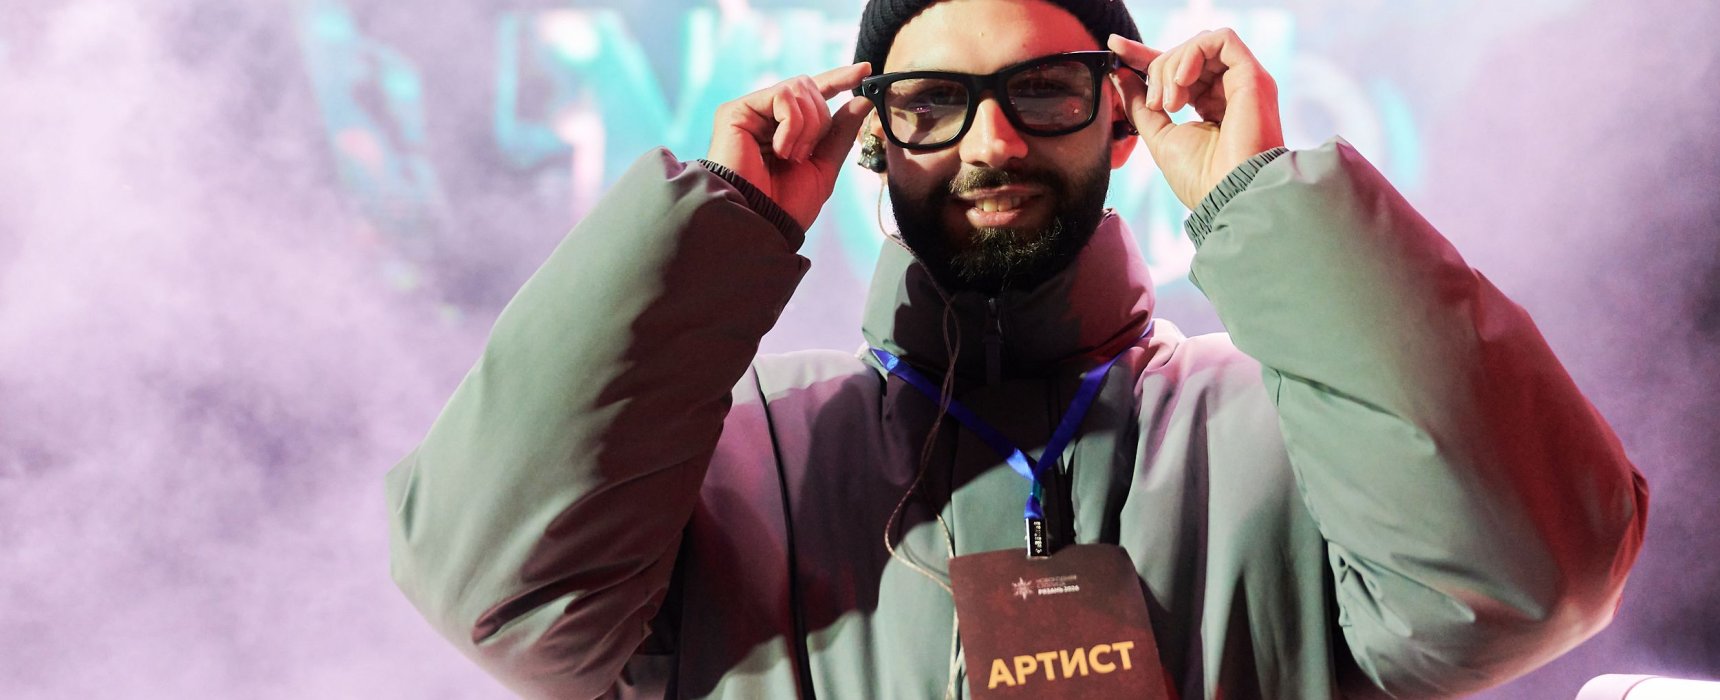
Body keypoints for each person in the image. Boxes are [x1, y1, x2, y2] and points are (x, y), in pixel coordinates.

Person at [385, 0, 1649, 697]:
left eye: (1042, 89)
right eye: (932, 102)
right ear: (871, 139)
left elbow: (1526, 580)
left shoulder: (1290, 423)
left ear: (1122, 118)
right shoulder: (739, 446)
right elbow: (506, 603)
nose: (991, 142)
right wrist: (720, 227)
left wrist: (1261, 195)